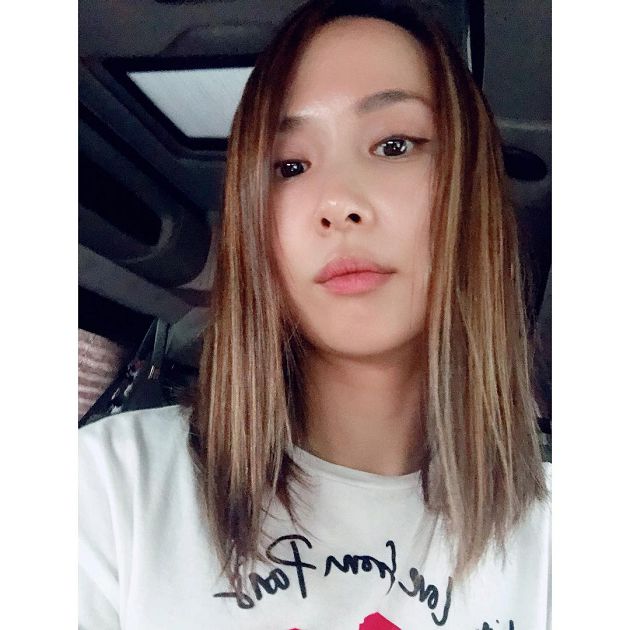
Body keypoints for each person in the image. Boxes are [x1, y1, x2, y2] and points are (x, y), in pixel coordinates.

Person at [78, 1, 550, 628]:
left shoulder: (560, 534)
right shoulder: (109, 486)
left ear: (472, 193)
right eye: (290, 167)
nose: (338, 202)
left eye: (394, 145)